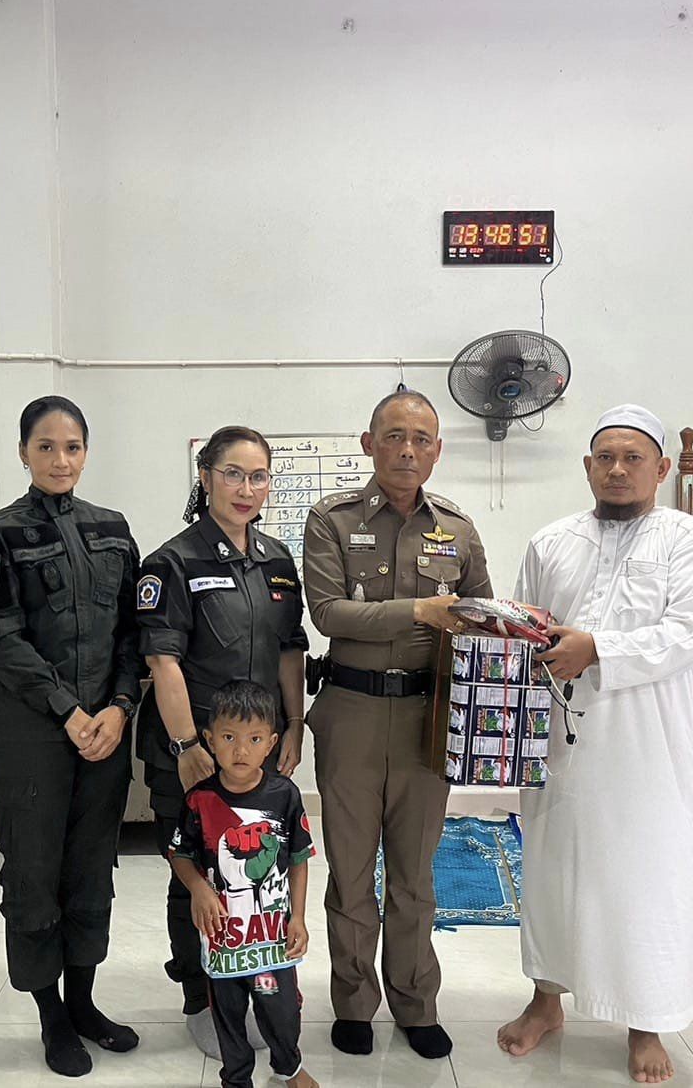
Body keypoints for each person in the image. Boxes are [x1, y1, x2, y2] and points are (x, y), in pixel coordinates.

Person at [496, 404, 693, 1085]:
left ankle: (646, 1021)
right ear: (587, 466)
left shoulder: (687, 541)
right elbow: (524, 626)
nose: (617, 469)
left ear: (660, 468)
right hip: (561, 740)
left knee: (642, 878)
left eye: (632, 458)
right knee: (552, 868)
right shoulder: (550, 542)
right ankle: (545, 1001)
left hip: (645, 744)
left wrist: (597, 647)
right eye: (605, 457)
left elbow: (690, 633)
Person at [303, 388, 490, 1060]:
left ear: (437, 451)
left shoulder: (458, 529)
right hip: (351, 713)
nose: (407, 449)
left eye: (420, 439)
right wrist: (419, 611)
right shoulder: (330, 519)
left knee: (414, 873)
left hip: (426, 717)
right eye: (393, 436)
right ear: (369, 444)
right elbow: (327, 612)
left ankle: (415, 1002)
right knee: (351, 871)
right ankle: (353, 1002)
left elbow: (480, 616)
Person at [0, 396, 142, 1078]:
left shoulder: (113, 528)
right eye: (45, 446)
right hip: (34, 733)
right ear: (23, 453)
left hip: (106, 731)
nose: (60, 459)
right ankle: (51, 1017)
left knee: (91, 871)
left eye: (72, 446)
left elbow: (133, 633)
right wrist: (68, 709)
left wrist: (120, 706)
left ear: (86, 452)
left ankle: (84, 1004)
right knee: (35, 874)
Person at [135, 425, 309, 1058]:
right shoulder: (173, 563)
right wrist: (187, 747)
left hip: (258, 754)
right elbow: (163, 662)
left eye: (258, 476)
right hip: (196, 753)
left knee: (256, 872)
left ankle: (254, 980)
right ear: (205, 477)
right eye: (232, 473)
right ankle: (200, 995)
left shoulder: (277, 560)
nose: (246, 488)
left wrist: (293, 725)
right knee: (197, 874)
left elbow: (290, 651)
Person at [168, 679, 319, 1088]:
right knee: (228, 1016)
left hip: (270, 942)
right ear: (209, 740)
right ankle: (236, 1080)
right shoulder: (199, 800)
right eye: (229, 737)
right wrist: (199, 889)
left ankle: (288, 1068)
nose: (241, 750)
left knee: (280, 1011)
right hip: (224, 941)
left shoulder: (284, 796)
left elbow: (299, 860)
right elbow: (179, 853)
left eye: (254, 739)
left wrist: (298, 918)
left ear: (270, 743)